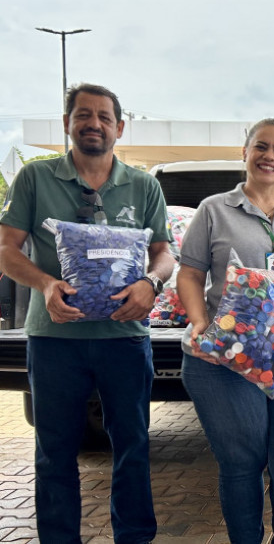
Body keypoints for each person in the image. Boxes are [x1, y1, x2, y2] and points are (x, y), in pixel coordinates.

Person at [0, 83, 174, 543]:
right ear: (67, 123)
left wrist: (149, 283)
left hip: (125, 338)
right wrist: (45, 283)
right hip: (56, 339)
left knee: (133, 446)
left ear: (119, 126)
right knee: (55, 450)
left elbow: (164, 253)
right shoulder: (36, 179)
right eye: (83, 115)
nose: (93, 123)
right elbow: (6, 249)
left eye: (103, 116)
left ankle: (134, 536)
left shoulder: (143, 184)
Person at [177, 118, 274, 544]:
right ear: (244, 153)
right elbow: (189, 275)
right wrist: (200, 324)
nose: (269, 156)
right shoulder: (214, 209)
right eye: (261, 147)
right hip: (227, 358)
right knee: (241, 462)